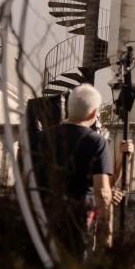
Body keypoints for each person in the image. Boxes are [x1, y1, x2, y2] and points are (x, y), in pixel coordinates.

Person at [51, 84, 116, 255]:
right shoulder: (96, 142)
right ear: (94, 113)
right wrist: (106, 240)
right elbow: (102, 191)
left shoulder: (43, 138)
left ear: (68, 109)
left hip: (44, 218)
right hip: (77, 221)